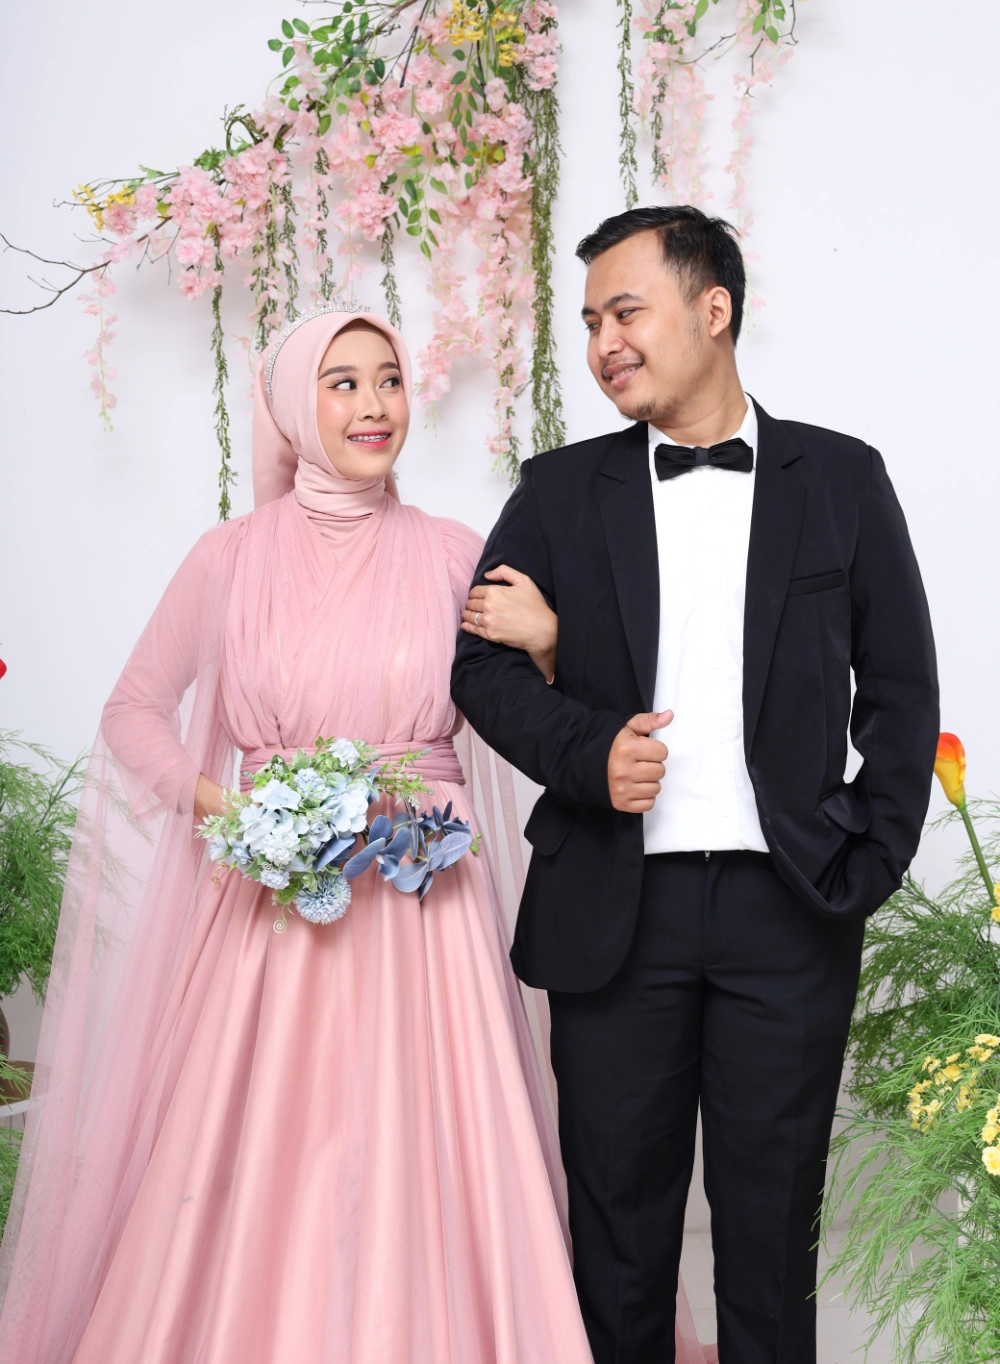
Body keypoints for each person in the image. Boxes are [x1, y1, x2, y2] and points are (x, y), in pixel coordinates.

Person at [0, 309, 601, 1364]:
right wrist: (230, 812)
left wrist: (552, 647)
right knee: (274, 1138)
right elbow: (134, 710)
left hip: (426, 905)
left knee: (433, 1140)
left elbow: (535, 714)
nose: (374, 406)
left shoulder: (455, 555)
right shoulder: (230, 559)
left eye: (390, 380)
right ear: (290, 405)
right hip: (278, 909)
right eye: (343, 382)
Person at [452, 206, 940, 1364]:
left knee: (772, 1238)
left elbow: (901, 689)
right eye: (589, 323)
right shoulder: (558, 492)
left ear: (712, 310)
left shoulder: (843, 478)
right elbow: (477, 666)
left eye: (625, 312)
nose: (603, 343)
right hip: (614, 911)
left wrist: (865, 858)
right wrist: (589, 754)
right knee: (617, 1242)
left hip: (790, 904)